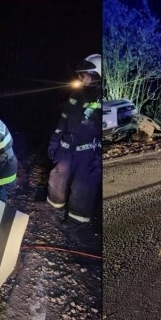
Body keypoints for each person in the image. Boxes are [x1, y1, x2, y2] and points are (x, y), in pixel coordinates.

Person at [47, 54, 102, 226]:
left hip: (89, 154)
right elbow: (62, 121)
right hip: (67, 148)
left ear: (96, 76)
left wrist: (99, 158)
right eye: (81, 75)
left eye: (85, 75)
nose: (81, 78)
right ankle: (54, 210)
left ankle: (75, 222)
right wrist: (54, 142)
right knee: (57, 179)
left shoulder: (102, 99)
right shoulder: (75, 95)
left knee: (82, 188)